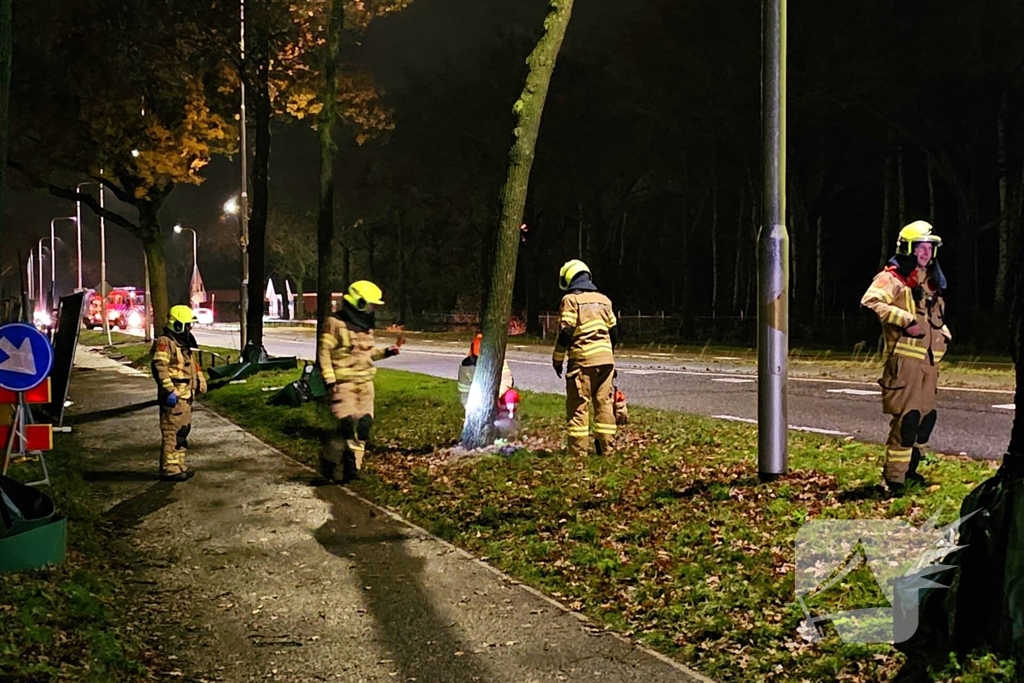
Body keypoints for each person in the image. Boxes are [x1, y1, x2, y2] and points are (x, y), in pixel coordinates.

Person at [861, 221, 950, 496]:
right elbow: (871, 301)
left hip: (928, 364)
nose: (926, 253)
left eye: (929, 248)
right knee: (907, 421)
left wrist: (944, 333)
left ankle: (911, 471)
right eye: (921, 247)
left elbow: (934, 319)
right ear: (909, 248)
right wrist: (905, 319)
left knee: (924, 421)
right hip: (904, 363)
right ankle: (895, 480)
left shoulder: (930, 282)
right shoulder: (893, 277)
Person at [317, 280, 400, 483]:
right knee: (344, 428)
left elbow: (368, 354)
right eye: (371, 304)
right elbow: (324, 353)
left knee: (363, 427)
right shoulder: (335, 324)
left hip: (365, 384)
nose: (373, 309)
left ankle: (353, 469)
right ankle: (330, 463)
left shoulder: (366, 328)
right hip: (343, 385)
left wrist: (387, 352)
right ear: (359, 302)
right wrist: (329, 379)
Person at [551, 259, 619, 457]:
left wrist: (557, 359)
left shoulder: (571, 300)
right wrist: (608, 354)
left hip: (582, 362)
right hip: (606, 361)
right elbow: (614, 333)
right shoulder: (604, 300)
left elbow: (566, 331)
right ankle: (607, 451)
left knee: (579, 407)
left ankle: (578, 455)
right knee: (604, 404)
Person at [151, 305, 207, 482]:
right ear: (178, 325)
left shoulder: (183, 343)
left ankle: (178, 465)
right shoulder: (165, 342)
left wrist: (200, 378)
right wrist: (169, 390)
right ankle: (169, 468)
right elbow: (160, 367)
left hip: (185, 397)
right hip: (175, 397)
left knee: (181, 433)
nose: (190, 328)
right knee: (171, 433)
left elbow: (191, 364)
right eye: (188, 325)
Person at [457, 333, 515, 409]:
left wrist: (493, 396)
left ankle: (505, 417)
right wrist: (469, 407)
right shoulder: (466, 366)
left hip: (497, 394)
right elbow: (464, 392)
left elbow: (506, 379)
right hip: (477, 399)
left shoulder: (499, 361)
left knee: (511, 396)